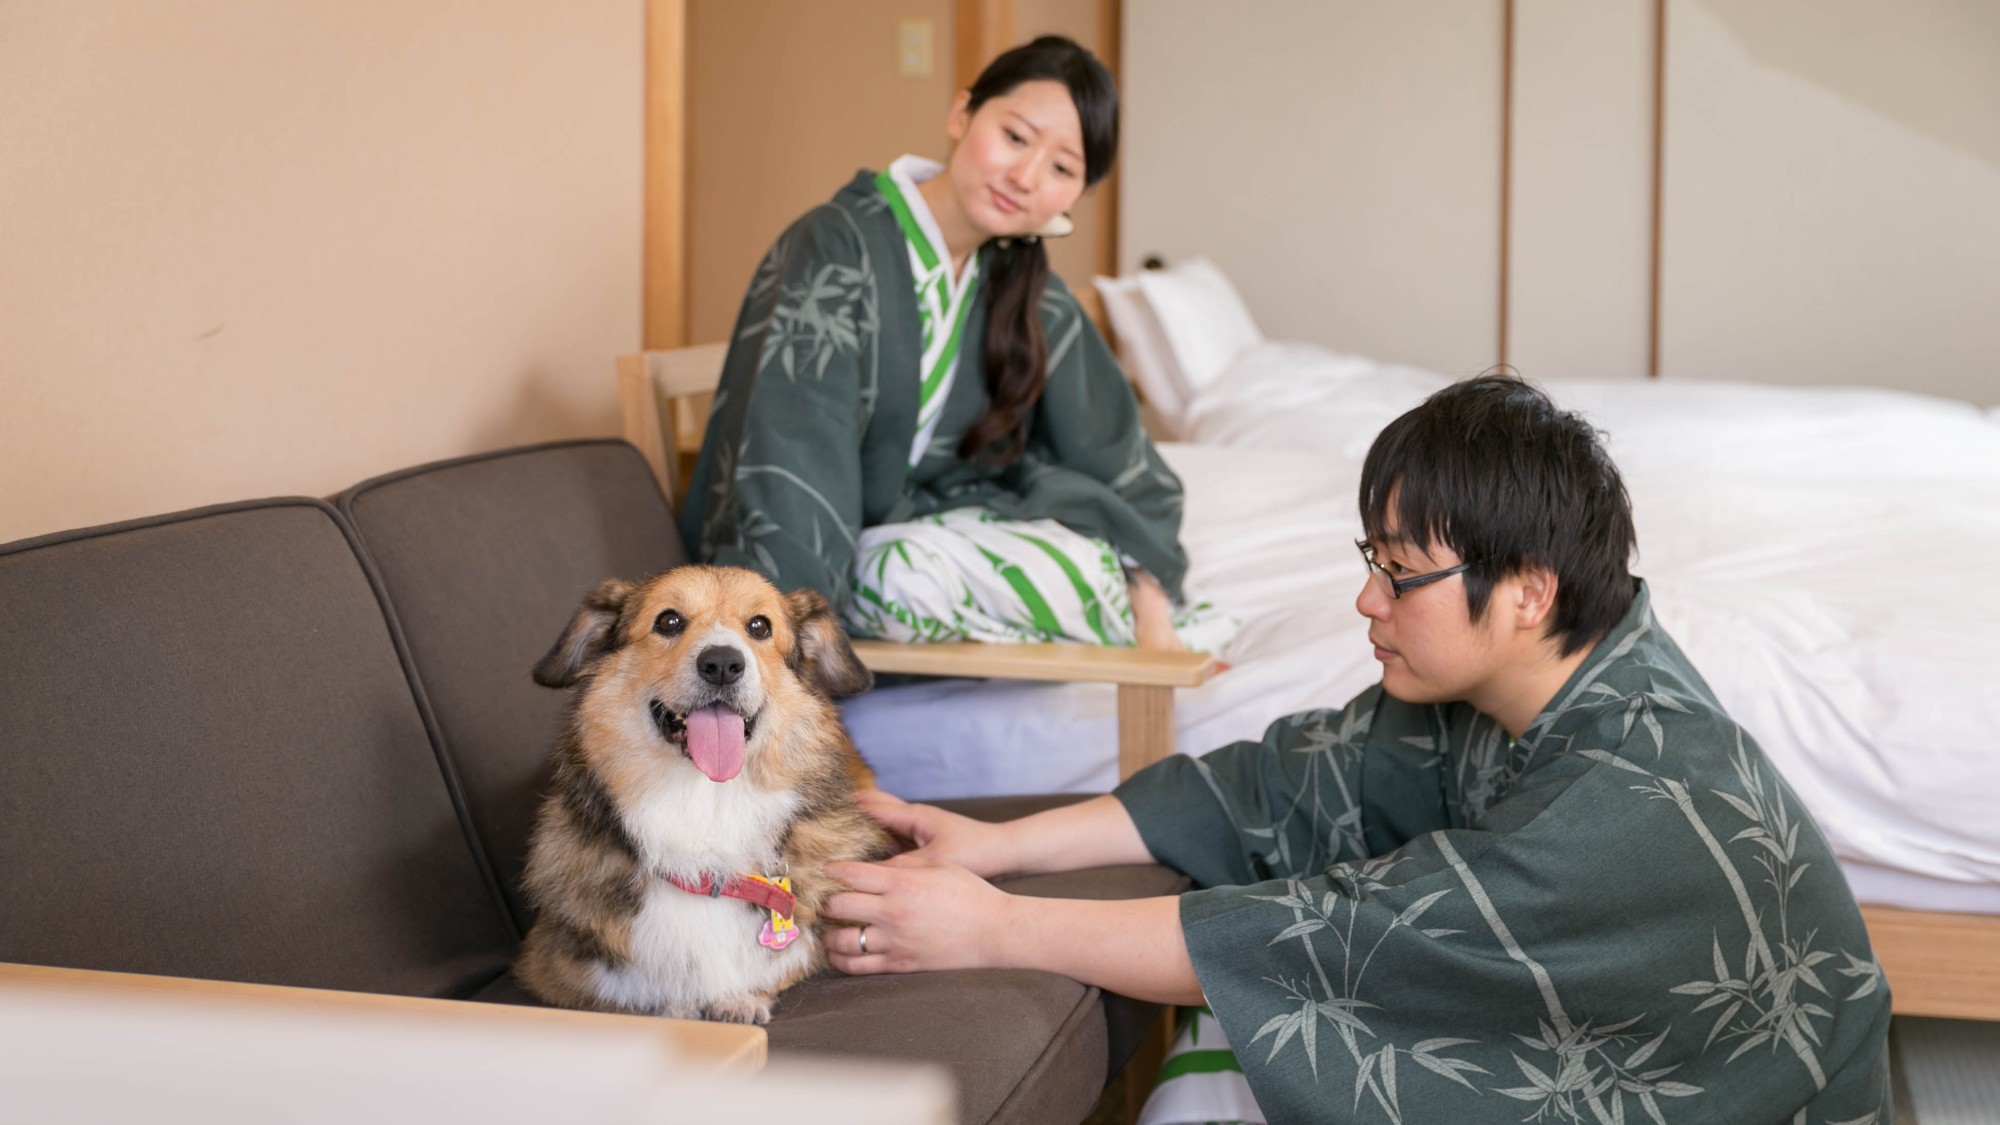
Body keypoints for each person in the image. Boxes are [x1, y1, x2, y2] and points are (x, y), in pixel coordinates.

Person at [822, 375, 1893, 1123]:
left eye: (1400, 571)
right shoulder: (1548, 681)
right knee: (1234, 1058)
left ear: (1527, 591)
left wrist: (997, 928)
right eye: (1367, 559)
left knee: (1276, 1046)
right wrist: (998, 849)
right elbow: (1285, 779)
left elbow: (1338, 939)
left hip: (1727, 1099)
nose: (1364, 599)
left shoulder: (1616, 806)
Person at [679, 36, 1232, 654]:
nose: (1025, 177)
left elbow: (1119, 457)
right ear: (962, 114)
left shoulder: (1027, 288)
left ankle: (1138, 605)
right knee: (911, 573)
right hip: (834, 566)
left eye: (1062, 169)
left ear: (1076, 196)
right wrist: (784, 645)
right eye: (1016, 137)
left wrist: (1149, 593)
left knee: (1069, 560)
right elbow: (792, 458)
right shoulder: (836, 247)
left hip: (928, 536)